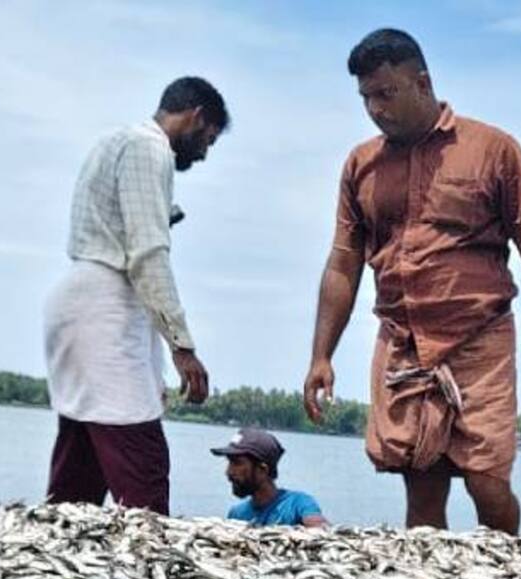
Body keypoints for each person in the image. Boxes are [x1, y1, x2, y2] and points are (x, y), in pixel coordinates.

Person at [301, 28, 521, 535]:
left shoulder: (493, 149)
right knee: (421, 486)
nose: (376, 108)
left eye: (386, 93)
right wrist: (322, 356)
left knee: (486, 481)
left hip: (479, 338)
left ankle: (511, 567)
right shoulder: (361, 165)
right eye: (366, 98)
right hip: (403, 342)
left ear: (422, 83)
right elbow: (343, 264)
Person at [43, 77, 229, 515]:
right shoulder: (150, 148)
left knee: (79, 464)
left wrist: (153, 362)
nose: (204, 153)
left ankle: (54, 551)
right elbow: (147, 255)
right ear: (197, 117)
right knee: (142, 467)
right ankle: (152, 565)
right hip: (103, 307)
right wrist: (183, 348)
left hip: (81, 304)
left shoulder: (114, 141)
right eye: (209, 139)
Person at [212, 427, 327, 528]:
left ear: (262, 470)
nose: (228, 472)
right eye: (229, 462)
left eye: (237, 463)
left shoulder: (298, 504)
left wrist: (318, 528)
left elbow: (322, 530)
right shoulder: (237, 514)